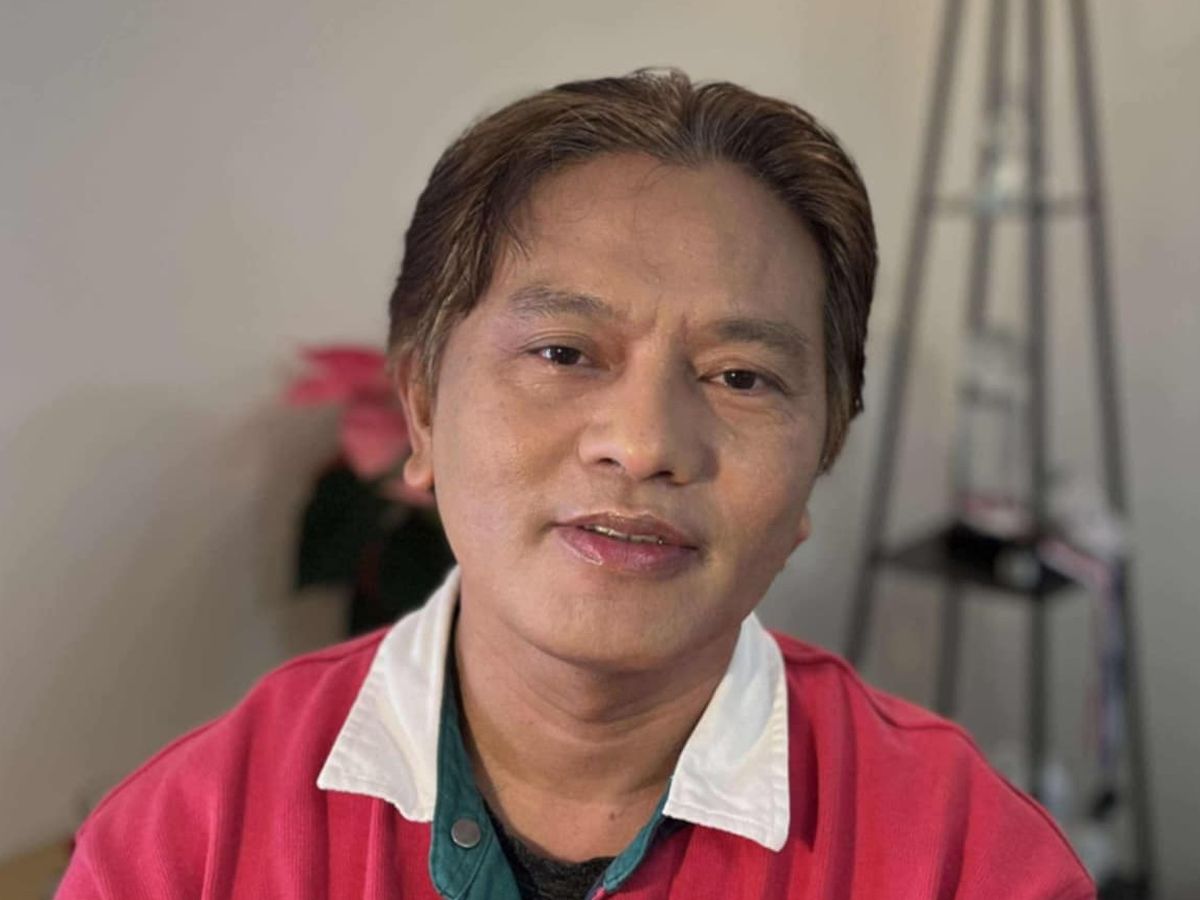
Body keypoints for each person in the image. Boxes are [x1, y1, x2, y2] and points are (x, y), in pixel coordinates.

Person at [55, 69, 1095, 899]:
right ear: (422, 409)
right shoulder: (183, 847)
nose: (643, 445)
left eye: (741, 377)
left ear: (820, 455)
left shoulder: (969, 863)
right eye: (563, 352)